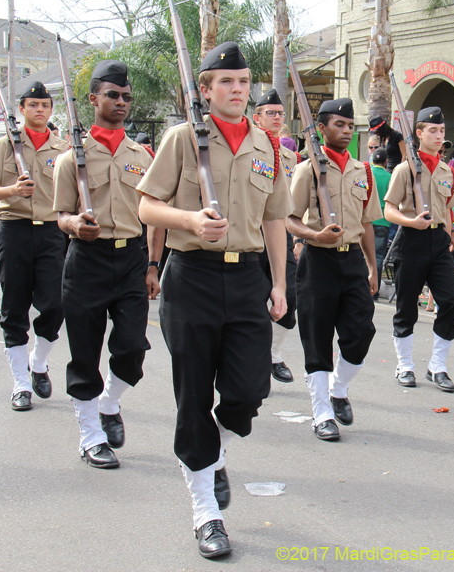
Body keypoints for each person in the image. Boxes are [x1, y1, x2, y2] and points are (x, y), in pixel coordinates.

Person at [137, 41, 291, 558]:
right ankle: (207, 511)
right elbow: (146, 206)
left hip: (247, 277)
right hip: (193, 279)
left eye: (244, 82)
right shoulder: (183, 139)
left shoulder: (267, 146)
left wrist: (279, 282)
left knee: (249, 392)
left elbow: (274, 218)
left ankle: (211, 449)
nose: (237, 90)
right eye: (226, 82)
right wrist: (190, 220)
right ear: (204, 90)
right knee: (193, 394)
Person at [53, 59, 162, 470]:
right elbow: (59, 214)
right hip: (87, 260)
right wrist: (72, 224)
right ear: (94, 98)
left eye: (127, 97)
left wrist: (153, 265)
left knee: (133, 347)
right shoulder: (72, 159)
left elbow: (154, 214)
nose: (121, 102)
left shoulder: (143, 155)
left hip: (132, 260)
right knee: (84, 352)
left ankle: (110, 401)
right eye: (113, 95)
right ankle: (90, 436)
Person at [287, 98, 381, 441]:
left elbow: (368, 223)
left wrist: (373, 266)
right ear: (322, 128)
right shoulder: (307, 169)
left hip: (352, 260)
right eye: (337, 125)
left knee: (361, 333)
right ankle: (322, 412)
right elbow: (290, 218)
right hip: (318, 261)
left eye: (348, 125)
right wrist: (314, 234)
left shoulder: (363, 170)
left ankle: (338, 388)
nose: (344, 131)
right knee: (317, 337)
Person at [0, 81, 70, 412]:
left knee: (55, 304)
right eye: (33, 105)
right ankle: (20, 384)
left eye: (45, 105)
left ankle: (39, 362)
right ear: (22, 109)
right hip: (13, 230)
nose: (39, 110)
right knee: (14, 307)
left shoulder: (63, 149)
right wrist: (12, 190)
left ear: (50, 109)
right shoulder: (6, 146)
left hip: (50, 232)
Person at [383, 106, 454, 392]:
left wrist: (450, 236)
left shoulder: (446, 171)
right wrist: (410, 222)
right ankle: (405, 365)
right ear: (419, 134)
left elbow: (448, 208)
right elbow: (389, 210)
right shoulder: (404, 169)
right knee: (406, 307)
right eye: (433, 131)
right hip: (412, 239)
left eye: (442, 131)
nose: (439, 136)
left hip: (439, 242)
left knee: (452, 303)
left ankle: (437, 366)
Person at [252, 87, 299, 383]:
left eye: (281, 114)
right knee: (255, 299)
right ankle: (257, 357)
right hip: (251, 231)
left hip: (280, 231)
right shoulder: (249, 148)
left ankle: (273, 353)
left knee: (291, 296)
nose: (277, 118)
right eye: (271, 113)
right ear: (257, 117)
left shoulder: (290, 157)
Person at [369, 147, 393, 283]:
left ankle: (363, 287)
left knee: (363, 255)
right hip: (383, 220)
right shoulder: (390, 177)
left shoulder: (367, 174)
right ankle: (375, 289)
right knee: (378, 257)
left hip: (367, 219)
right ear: (386, 162)